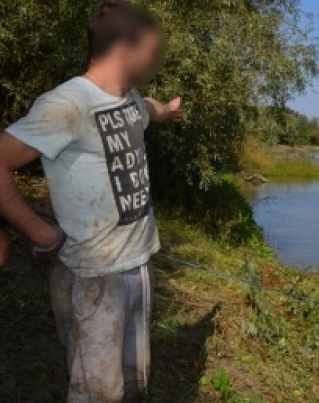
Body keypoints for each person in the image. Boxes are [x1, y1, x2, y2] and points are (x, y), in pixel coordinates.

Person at [0, 1, 183, 400]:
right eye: (152, 51)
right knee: (98, 393)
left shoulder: (130, 98)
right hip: (94, 277)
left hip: (138, 266)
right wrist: (41, 233)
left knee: (133, 382)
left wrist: (167, 110)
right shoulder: (68, 104)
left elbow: (144, 111)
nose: (157, 60)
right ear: (122, 49)